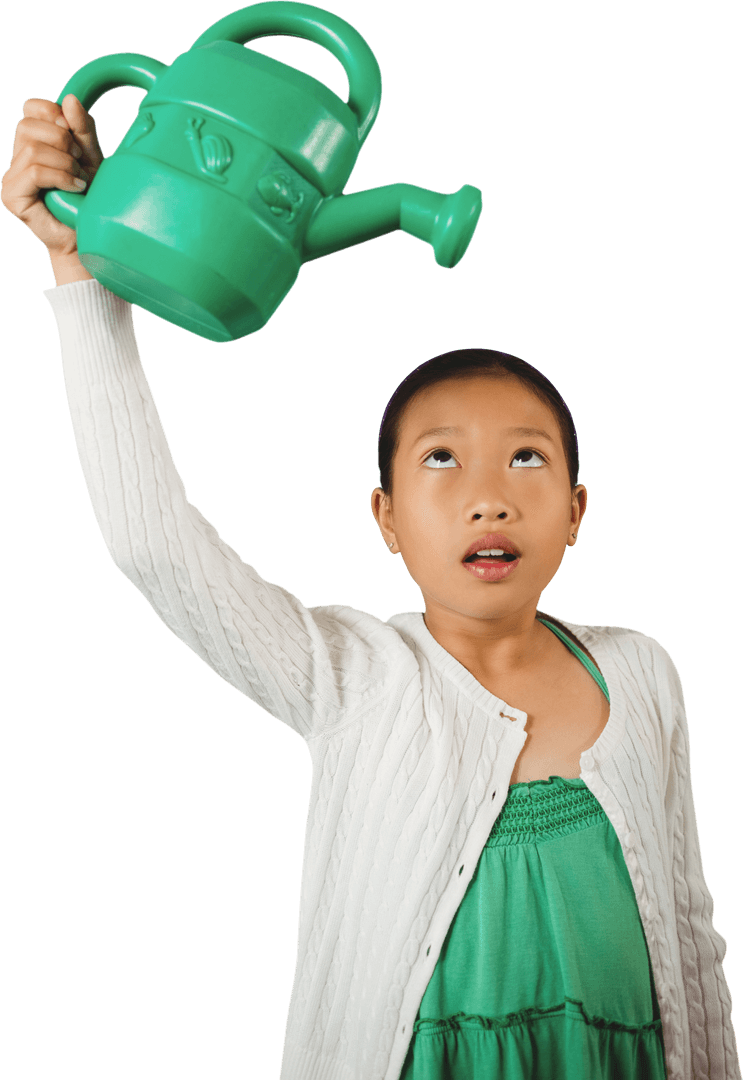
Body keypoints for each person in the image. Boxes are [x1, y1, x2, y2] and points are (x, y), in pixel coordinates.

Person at [3, 94, 739, 1080]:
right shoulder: (352, 676)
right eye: (441, 461)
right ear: (384, 519)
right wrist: (82, 273)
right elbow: (151, 542)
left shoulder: (641, 672)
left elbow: (690, 937)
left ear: (573, 510)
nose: (487, 498)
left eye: (525, 460)